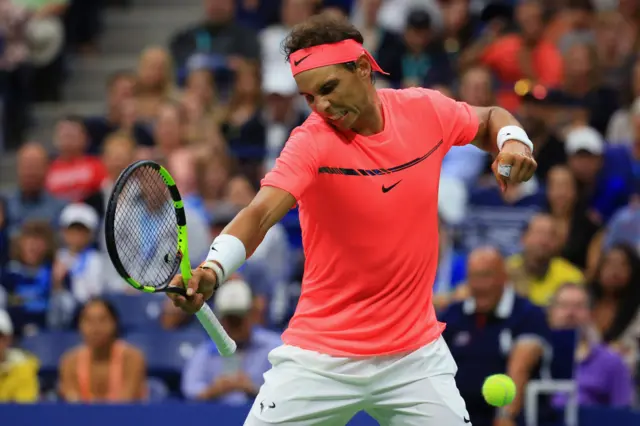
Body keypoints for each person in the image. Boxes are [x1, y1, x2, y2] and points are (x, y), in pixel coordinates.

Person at [168, 15, 538, 426]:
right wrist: (214, 268)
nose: (322, 105)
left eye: (328, 88)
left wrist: (514, 142)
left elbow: (488, 119)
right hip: (322, 356)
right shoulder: (311, 142)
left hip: (413, 355)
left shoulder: (423, 110)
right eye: (309, 97)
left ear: (362, 68)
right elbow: (258, 214)